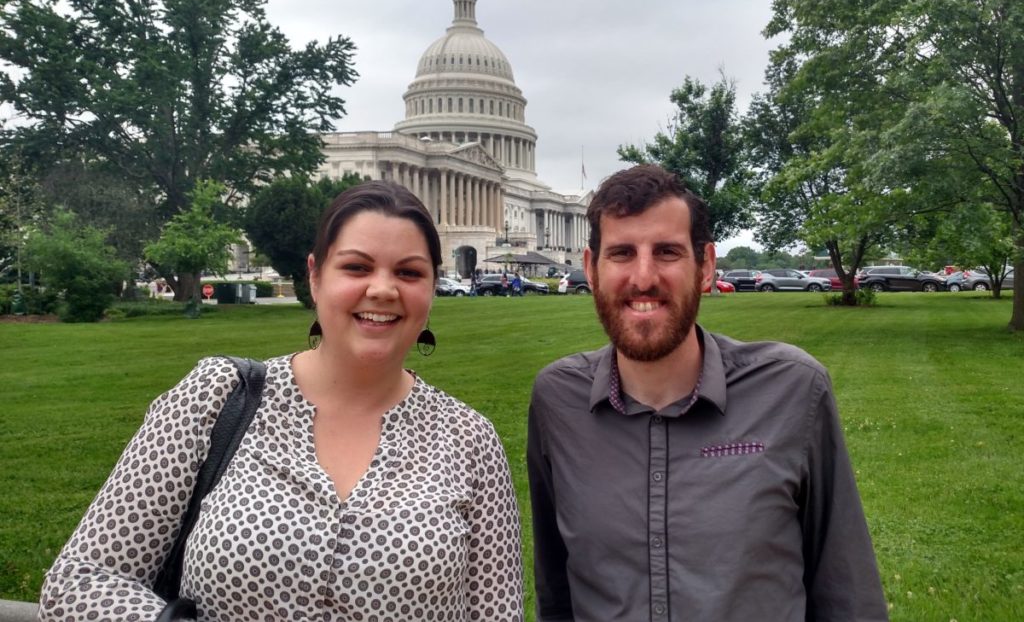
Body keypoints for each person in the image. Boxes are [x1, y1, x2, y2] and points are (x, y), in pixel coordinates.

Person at [40, 180, 524, 621]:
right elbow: (80, 583)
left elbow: (494, 613)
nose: (382, 289)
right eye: (356, 267)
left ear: (431, 287)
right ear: (315, 275)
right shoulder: (214, 397)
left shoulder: (470, 440)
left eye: (409, 272)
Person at [527, 165, 887, 621]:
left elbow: (847, 594)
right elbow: (556, 592)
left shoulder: (792, 390)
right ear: (590, 269)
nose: (643, 277)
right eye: (621, 253)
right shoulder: (558, 400)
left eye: (667, 252)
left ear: (706, 266)